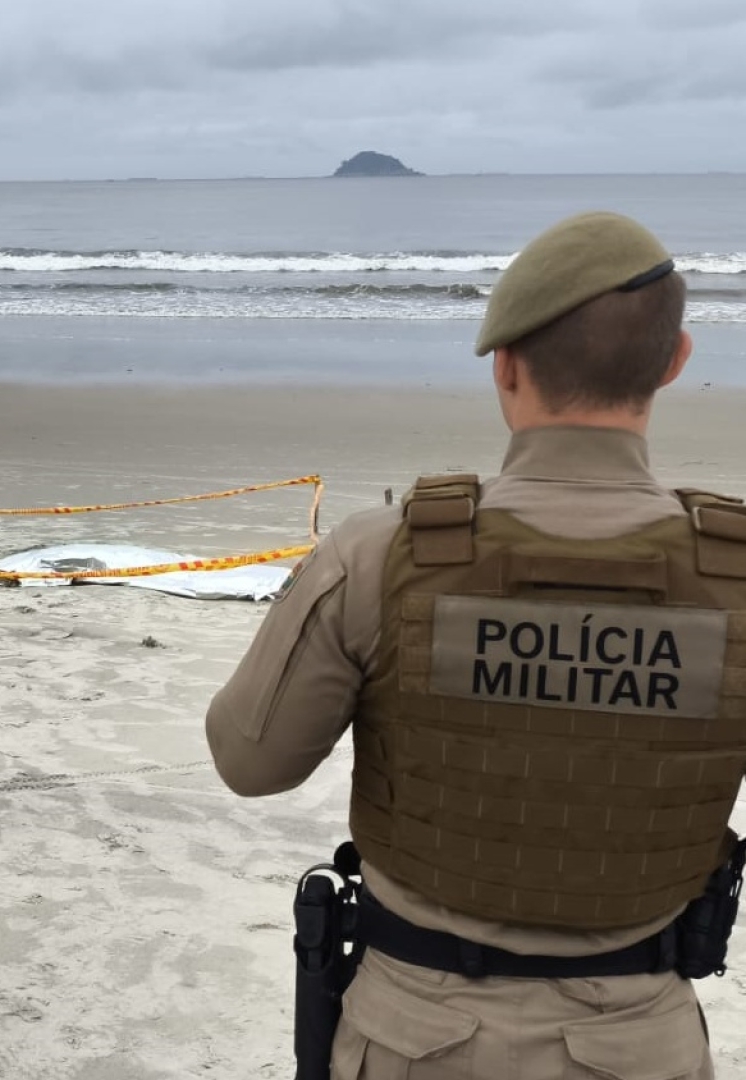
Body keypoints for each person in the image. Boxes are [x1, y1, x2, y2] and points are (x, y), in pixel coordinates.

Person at [205, 211, 746, 1079]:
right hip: (643, 1042)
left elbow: (249, 760)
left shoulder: (380, 553)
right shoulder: (736, 578)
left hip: (415, 1034)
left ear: (505, 366)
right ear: (677, 361)